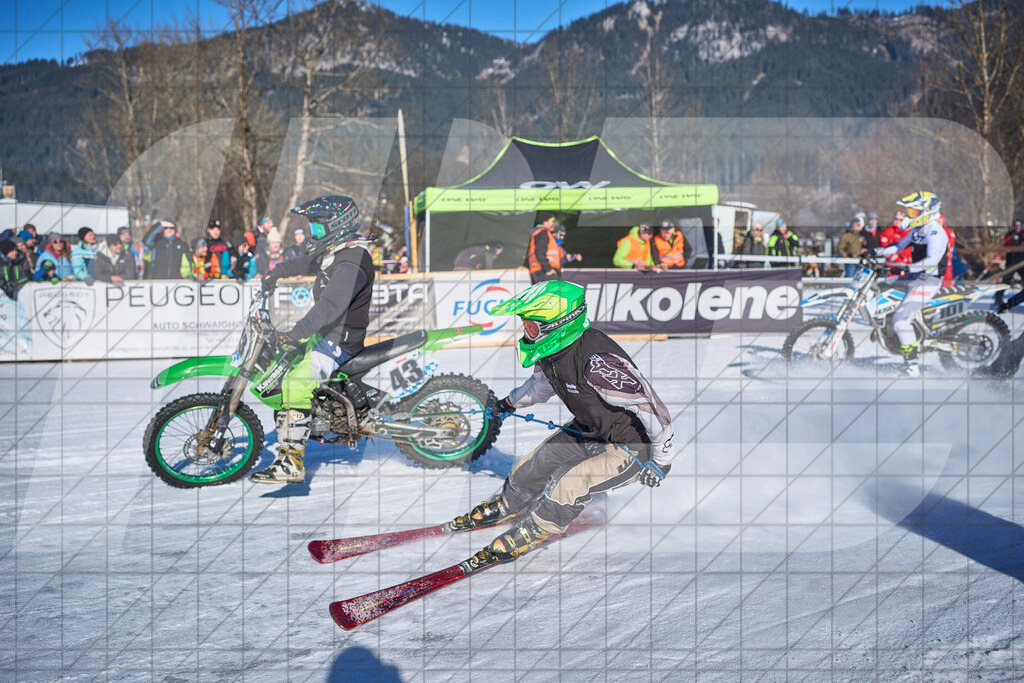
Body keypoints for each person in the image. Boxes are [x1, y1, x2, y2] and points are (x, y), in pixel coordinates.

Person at [445, 280, 676, 560]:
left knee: (568, 483)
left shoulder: (598, 363)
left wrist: (661, 461)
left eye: (532, 327)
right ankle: (509, 503)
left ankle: (541, 527)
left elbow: (652, 409)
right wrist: (508, 403)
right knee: (531, 465)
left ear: (559, 324)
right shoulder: (552, 353)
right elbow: (540, 388)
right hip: (588, 431)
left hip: (631, 447)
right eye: (526, 326)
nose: (526, 334)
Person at [248, 195, 376, 485]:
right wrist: (276, 273)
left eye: (318, 229)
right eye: (311, 228)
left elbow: (330, 306)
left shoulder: (352, 261)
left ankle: (292, 464)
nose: (312, 234)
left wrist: (297, 333)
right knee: (282, 369)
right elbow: (307, 261)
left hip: (339, 342)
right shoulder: (336, 253)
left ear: (337, 226)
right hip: (326, 334)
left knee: (295, 383)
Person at [874, 191, 949, 377]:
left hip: (928, 281)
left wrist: (907, 268)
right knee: (879, 284)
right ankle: (885, 326)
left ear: (928, 212)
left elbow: (932, 260)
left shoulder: (935, 232)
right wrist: (875, 252)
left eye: (914, 212)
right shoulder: (917, 230)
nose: (909, 215)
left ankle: (912, 366)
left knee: (900, 321)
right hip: (914, 276)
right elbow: (898, 246)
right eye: (909, 211)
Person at [526, 213, 579, 284]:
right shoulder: (543, 233)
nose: (555, 223)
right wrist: (548, 269)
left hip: (539, 271)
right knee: (557, 290)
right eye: (553, 221)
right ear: (545, 222)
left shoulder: (539, 233)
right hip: (544, 272)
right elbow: (539, 252)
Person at [994, 219, 1024, 311]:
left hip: (1021, 262)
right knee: (1006, 281)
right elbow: (1006, 246)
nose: (1017, 227)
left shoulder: (1023, 234)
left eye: (1019, 225)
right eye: (1016, 225)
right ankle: (998, 298)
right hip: (1011, 262)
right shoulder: (1009, 235)